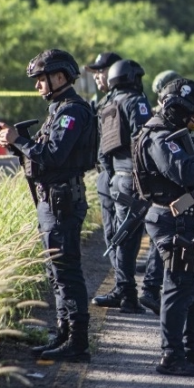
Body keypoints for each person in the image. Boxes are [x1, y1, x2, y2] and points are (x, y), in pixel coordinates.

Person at [0, 49, 95, 363]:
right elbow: (38, 153)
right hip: (51, 199)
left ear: (60, 77)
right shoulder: (58, 109)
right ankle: (64, 334)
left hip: (62, 202)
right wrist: (15, 142)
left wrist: (19, 140)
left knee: (67, 273)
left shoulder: (72, 112)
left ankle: (77, 342)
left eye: (42, 78)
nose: (38, 85)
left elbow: (52, 154)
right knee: (56, 272)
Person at [132, 78, 194, 376]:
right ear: (177, 109)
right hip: (173, 221)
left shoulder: (176, 135)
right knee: (180, 289)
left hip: (190, 223)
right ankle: (172, 356)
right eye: (193, 116)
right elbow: (184, 172)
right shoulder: (160, 137)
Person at [90, 59, 155, 313]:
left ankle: (123, 289)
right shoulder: (135, 101)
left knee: (121, 233)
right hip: (132, 177)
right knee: (130, 236)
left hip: (114, 177)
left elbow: (103, 148)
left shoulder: (107, 104)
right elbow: (145, 139)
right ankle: (129, 294)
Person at [84, 52, 122, 287]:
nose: (98, 76)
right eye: (96, 72)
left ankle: (124, 287)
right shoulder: (104, 103)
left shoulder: (122, 101)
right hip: (105, 175)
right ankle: (121, 282)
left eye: (102, 71)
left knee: (121, 233)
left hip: (119, 175)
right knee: (111, 233)